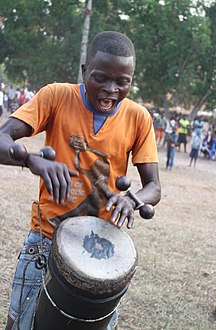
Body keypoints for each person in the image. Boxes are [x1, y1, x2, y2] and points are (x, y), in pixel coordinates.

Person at [0, 31, 161, 330]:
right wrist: (31, 160)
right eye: (101, 78)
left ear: (131, 79)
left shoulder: (139, 118)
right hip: (46, 239)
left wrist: (132, 199)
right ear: (86, 71)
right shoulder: (56, 96)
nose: (111, 89)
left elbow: (154, 187)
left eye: (122, 82)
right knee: (20, 321)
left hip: (101, 250)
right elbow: (2, 137)